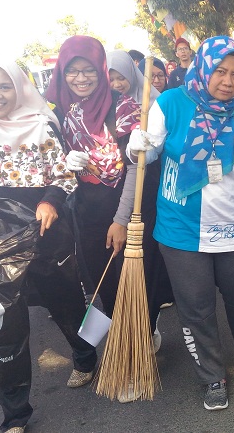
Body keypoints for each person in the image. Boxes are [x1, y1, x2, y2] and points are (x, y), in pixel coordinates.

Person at [126, 36, 234, 411]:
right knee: (196, 307)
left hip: (233, 225)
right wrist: (136, 145)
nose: (227, 81)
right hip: (180, 228)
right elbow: (150, 148)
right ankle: (212, 374)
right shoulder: (171, 103)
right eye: (221, 71)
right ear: (204, 68)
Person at [0, 57, 98, 433]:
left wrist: (51, 201)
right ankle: (14, 413)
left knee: (66, 306)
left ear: (19, 87)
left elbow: (63, 174)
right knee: (5, 324)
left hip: (44, 238)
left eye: (4, 86)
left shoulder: (42, 125)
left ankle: (86, 355)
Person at [43, 37, 148, 367]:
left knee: (134, 280)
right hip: (84, 209)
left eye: (88, 69)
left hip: (123, 204)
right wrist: (64, 161)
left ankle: (141, 342)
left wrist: (121, 219)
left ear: (101, 69)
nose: (81, 77)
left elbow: (135, 168)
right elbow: (46, 163)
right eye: (72, 71)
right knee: (103, 284)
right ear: (62, 73)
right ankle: (123, 348)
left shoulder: (122, 106)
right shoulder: (59, 111)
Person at [106, 49, 175, 324]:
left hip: (151, 183)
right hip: (123, 189)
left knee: (152, 251)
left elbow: (164, 142)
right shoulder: (112, 105)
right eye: (111, 79)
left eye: (121, 78)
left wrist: (147, 146)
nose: (117, 84)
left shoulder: (152, 103)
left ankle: (152, 313)